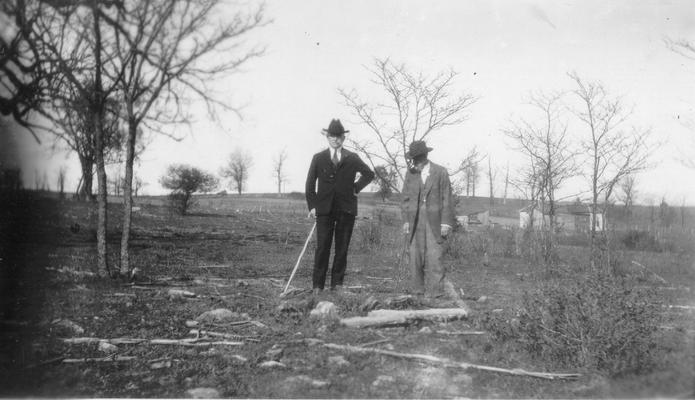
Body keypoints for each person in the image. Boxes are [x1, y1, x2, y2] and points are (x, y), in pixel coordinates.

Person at [305, 119, 375, 295]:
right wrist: (313, 206)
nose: (336, 140)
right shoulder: (318, 158)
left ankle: (337, 285)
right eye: (332, 136)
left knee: (342, 248)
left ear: (343, 138)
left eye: (339, 136)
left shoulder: (352, 158)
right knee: (322, 248)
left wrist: (355, 188)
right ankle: (317, 287)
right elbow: (309, 184)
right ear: (327, 137)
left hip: (346, 209)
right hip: (324, 211)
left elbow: (369, 174)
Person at [401, 140, 464, 306]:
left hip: (435, 222)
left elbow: (447, 199)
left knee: (435, 257)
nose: (415, 163)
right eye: (413, 160)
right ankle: (417, 293)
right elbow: (405, 198)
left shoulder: (440, 172)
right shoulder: (410, 174)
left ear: (425, 157)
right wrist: (406, 220)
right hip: (415, 221)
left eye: (418, 160)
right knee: (415, 256)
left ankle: (436, 295)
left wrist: (446, 223)